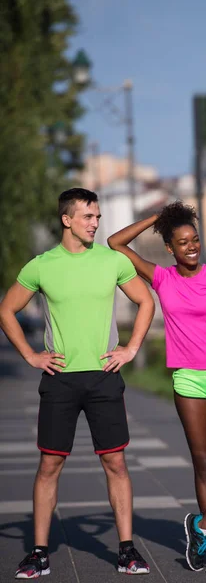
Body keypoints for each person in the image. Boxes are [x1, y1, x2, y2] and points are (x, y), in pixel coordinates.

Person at [0, 188, 155, 579]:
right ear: (67, 219)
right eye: (88, 216)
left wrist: (131, 348)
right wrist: (31, 355)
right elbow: (7, 310)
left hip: (104, 376)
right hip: (60, 380)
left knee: (115, 461)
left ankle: (125, 550)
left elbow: (146, 301)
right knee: (49, 464)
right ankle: (38, 552)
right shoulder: (41, 265)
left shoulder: (112, 260)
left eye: (98, 216)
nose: (96, 223)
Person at [108, 201, 206, 573]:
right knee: (204, 463)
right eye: (183, 241)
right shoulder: (162, 278)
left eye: (195, 239)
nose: (192, 246)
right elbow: (115, 242)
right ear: (170, 248)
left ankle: (202, 525)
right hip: (188, 379)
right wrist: (157, 220)